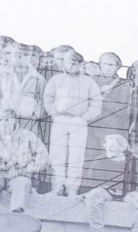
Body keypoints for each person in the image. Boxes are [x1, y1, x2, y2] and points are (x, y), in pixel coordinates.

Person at [43, 47, 102, 196]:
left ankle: (72, 188)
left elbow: (96, 104)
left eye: (76, 63)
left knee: (76, 155)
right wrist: (54, 114)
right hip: (60, 119)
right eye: (70, 62)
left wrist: (84, 117)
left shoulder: (89, 82)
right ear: (64, 63)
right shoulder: (56, 80)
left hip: (78, 121)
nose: (72, 66)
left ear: (81, 65)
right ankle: (57, 187)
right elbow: (47, 98)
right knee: (57, 154)